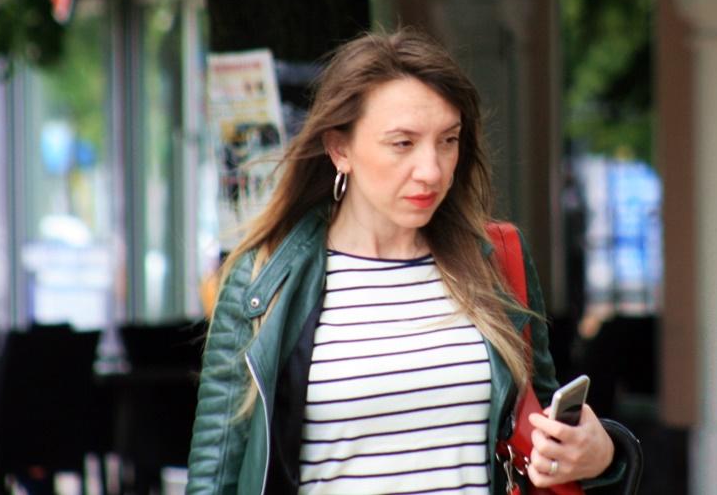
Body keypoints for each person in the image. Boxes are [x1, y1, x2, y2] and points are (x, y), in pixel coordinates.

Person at [187, 28, 626, 494]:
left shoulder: (495, 262)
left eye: (448, 140)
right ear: (340, 149)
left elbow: (544, 439)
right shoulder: (263, 280)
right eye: (403, 143)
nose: (431, 170)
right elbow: (215, 476)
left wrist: (601, 456)